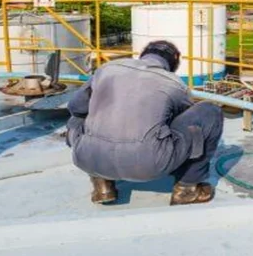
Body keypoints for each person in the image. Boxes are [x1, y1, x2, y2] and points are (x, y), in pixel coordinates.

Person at [65, 40, 224, 206]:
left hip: (88, 159)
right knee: (210, 111)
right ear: (174, 61)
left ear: (143, 54)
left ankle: (102, 184)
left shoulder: (107, 69)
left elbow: (76, 107)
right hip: (148, 165)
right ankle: (186, 189)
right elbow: (182, 120)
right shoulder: (174, 83)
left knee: (77, 118)